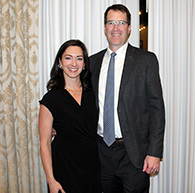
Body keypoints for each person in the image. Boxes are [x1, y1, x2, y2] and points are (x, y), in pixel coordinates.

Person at [89, 4, 165, 193]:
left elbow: (157, 108)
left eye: (121, 23)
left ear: (129, 28)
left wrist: (154, 153)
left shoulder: (146, 60)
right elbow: (82, 103)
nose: (116, 28)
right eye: (111, 23)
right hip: (101, 153)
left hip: (133, 154)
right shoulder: (92, 62)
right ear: (105, 27)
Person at [38, 39, 101, 193]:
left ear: (85, 63)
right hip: (64, 167)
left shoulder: (93, 92)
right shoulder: (50, 99)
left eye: (79, 58)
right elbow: (44, 143)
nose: (74, 64)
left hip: (92, 166)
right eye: (68, 58)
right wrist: (51, 181)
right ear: (60, 62)